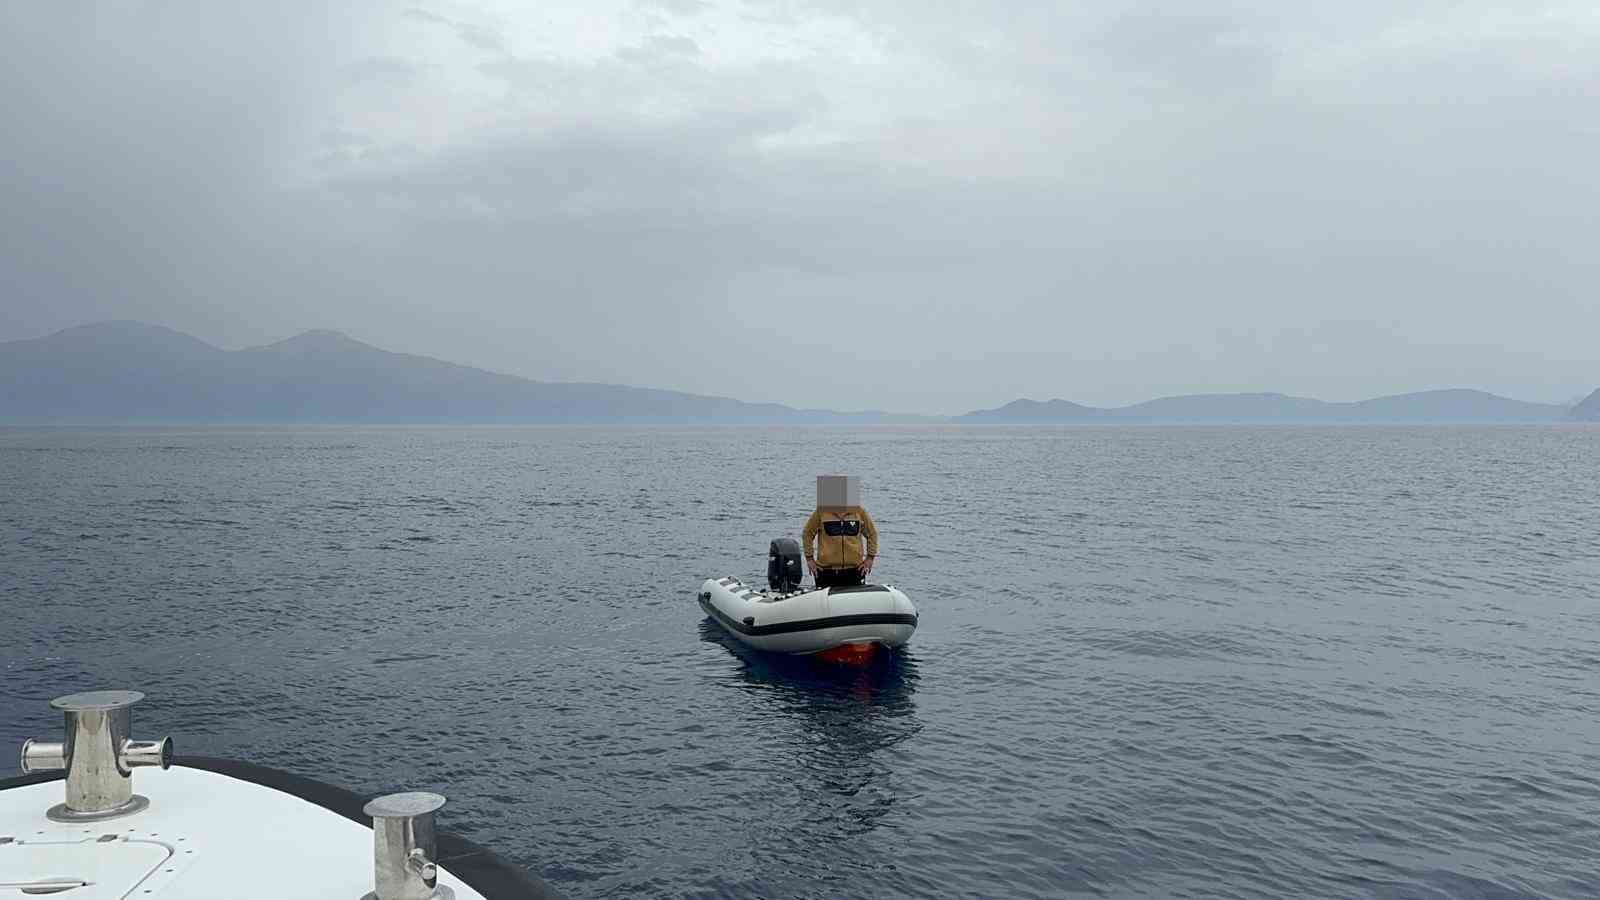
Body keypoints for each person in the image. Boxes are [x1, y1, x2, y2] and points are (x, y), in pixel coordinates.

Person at [802, 495, 879, 589]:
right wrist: (809, 559)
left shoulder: (859, 511)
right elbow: (807, 534)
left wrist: (870, 558)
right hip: (826, 572)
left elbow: (872, 534)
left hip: (855, 571)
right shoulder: (821, 512)